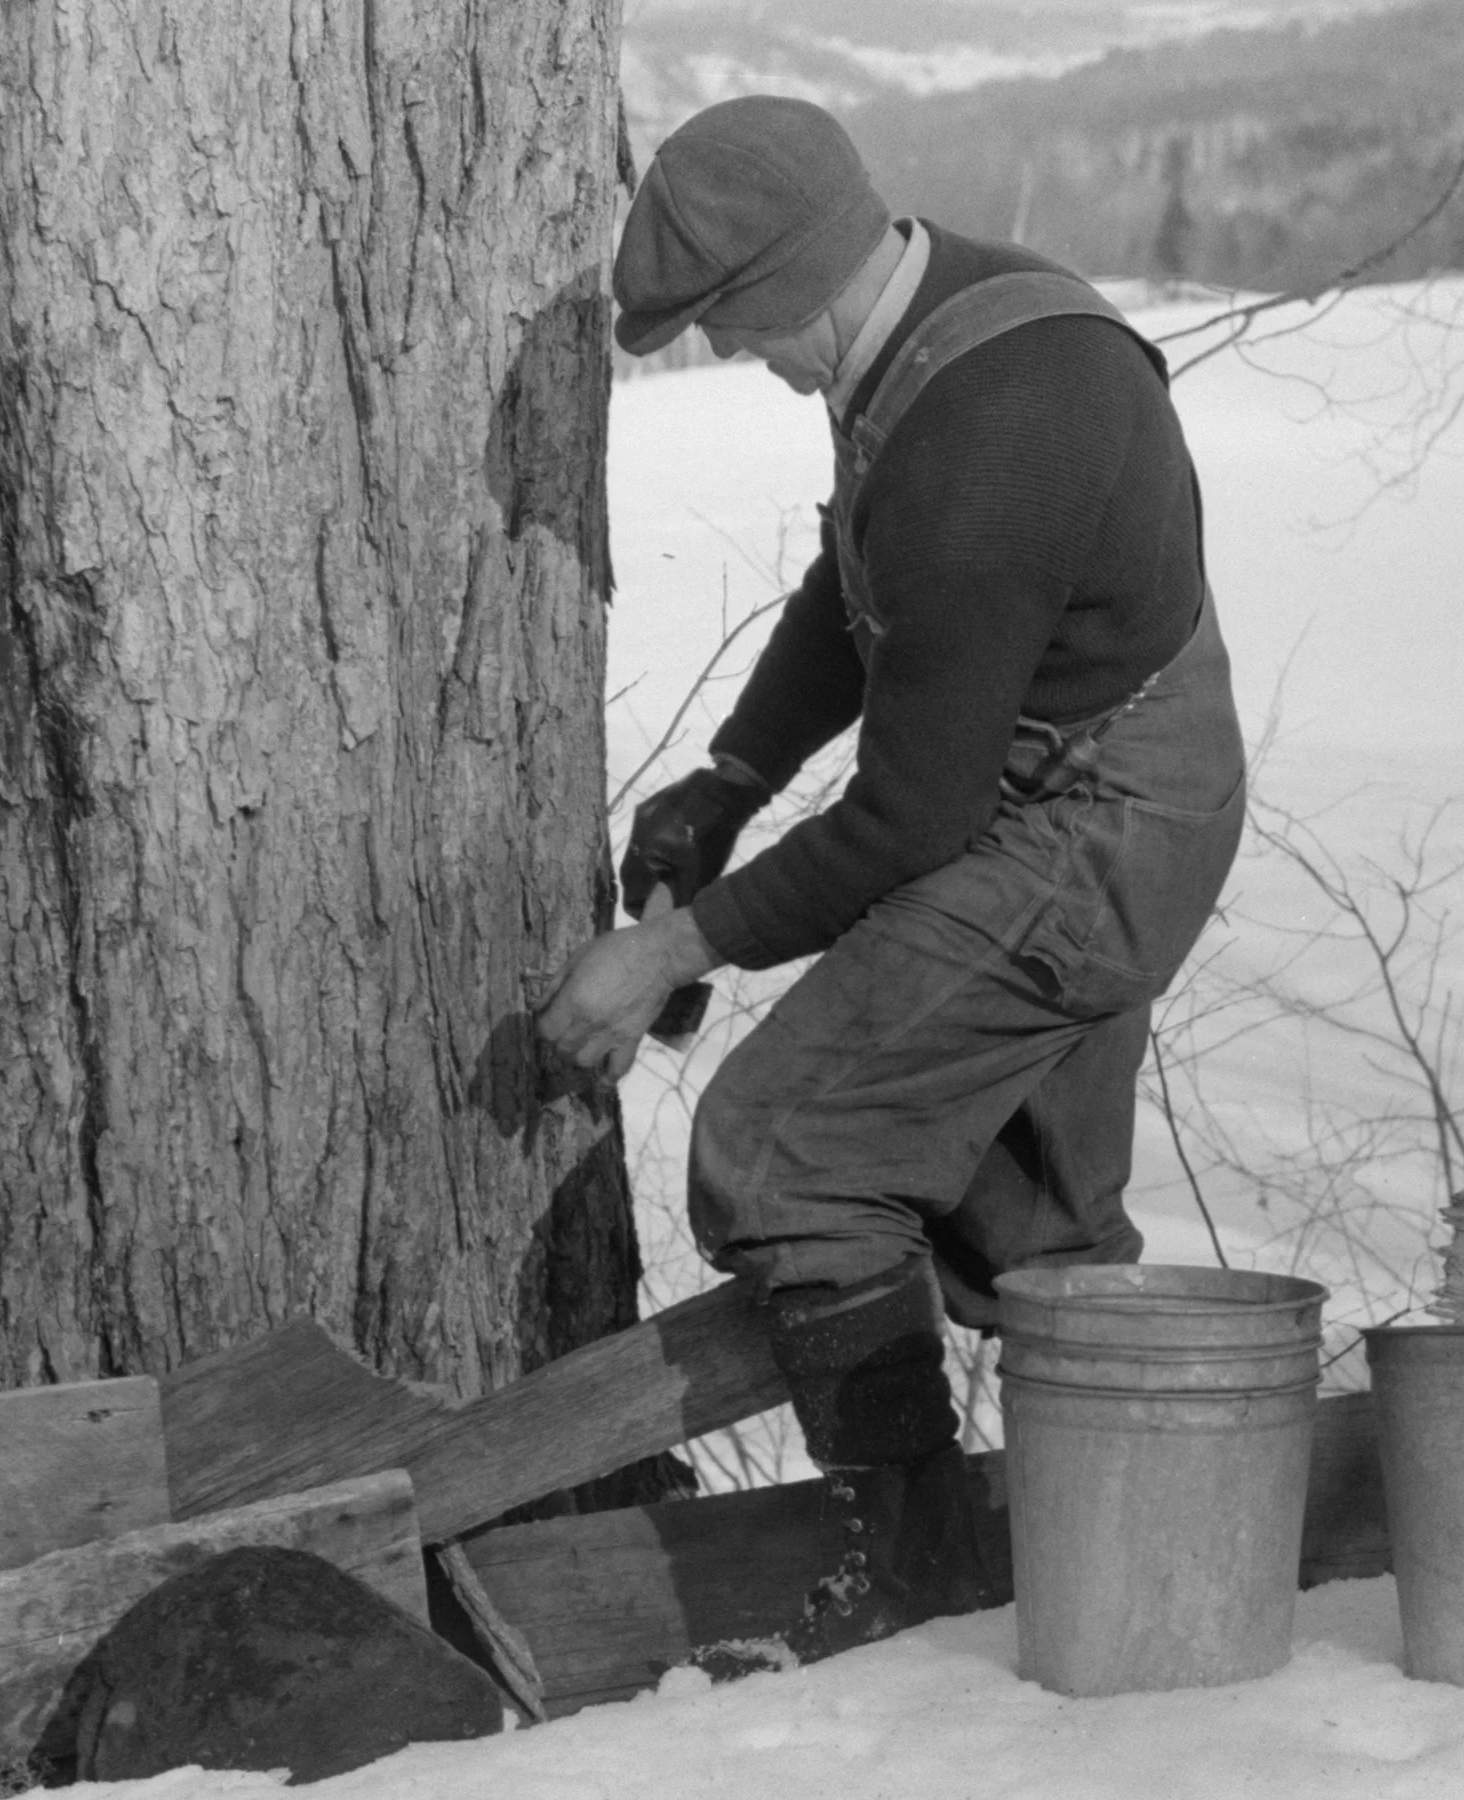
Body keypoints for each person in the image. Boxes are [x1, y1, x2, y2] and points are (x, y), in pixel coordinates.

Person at [538, 95, 1246, 1662]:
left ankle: (921, 1583)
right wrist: (729, 781)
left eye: (731, 331)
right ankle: (1128, 1582)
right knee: (1028, 1228)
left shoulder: (996, 437)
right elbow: (861, 584)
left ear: (794, 287)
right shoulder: (939, 323)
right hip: (1074, 786)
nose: (741, 362)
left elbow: (913, 818)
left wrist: (671, 952)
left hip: (1102, 824)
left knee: (784, 1145)